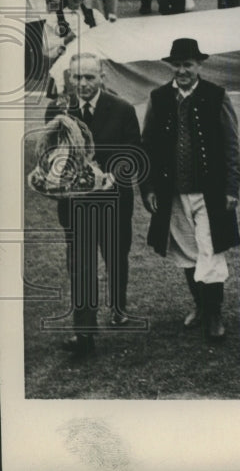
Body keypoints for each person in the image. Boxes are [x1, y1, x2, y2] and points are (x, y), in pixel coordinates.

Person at [140, 38, 240, 342]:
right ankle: (200, 306)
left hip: (208, 192)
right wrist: (149, 187)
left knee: (209, 250)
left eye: (188, 64)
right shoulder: (158, 98)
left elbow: (230, 145)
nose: (182, 70)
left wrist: (231, 186)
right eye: (177, 64)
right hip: (173, 191)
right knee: (187, 251)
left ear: (199, 65)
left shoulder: (216, 96)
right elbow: (148, 147)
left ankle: (214, 314)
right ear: (170, 66)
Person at [43, 53, 142, 357]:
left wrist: (112, 175)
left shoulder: (122, 109)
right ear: (68, 79)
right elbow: (49, 154)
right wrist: (57, 174)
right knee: (81, 268)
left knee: (115, 258)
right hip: (76, 206)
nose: (83, 84)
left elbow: (134, 154)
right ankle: (84, 333)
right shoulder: (58, 111)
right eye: (77, 77)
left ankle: (118, 304)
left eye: (89, 77)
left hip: (114, 202)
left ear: (102, 77)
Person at [43, 0, 107, 64]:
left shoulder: (94, 14)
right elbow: (47, 45)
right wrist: (65, 40)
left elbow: (106, 33)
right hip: (67, 60)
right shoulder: (55, 17)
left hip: (93, 56)